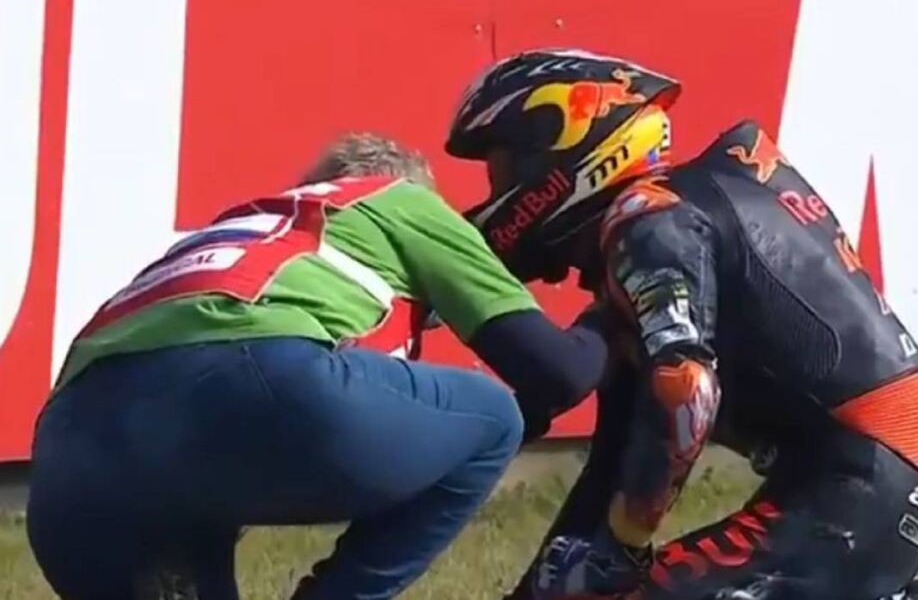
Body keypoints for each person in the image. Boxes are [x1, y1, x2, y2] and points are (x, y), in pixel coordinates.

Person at [445, 49, 918, 600]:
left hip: (860, 475)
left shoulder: (649, 221)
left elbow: (686, 391)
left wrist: (621, 548)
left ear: (558, 151)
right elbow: (615, 458)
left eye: (501, 171)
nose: (496, 194)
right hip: (867, 463)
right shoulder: (674, 213)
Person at [26, 133, 609, 600]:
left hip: (68, 459)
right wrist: (616, 313)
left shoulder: (248, 227)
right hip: (251, 379)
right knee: (494, 419)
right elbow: (557, 374)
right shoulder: (399, 200)